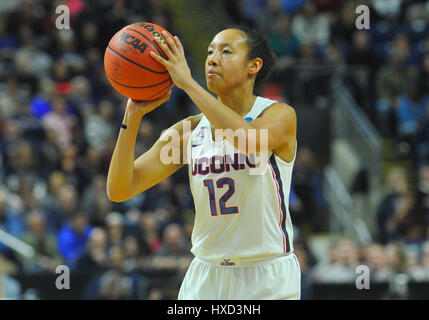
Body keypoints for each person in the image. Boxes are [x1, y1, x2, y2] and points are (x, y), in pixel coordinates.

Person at [107, 25, 300, 300]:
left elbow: (247, 139)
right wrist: (132, 116)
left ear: (253, 66)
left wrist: (187, 83)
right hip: (205, 275)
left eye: (226, 51)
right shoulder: (189, 132)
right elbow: (119, 189)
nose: (212, 58)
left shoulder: (278, 115)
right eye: (210, 51)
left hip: (266, 276)